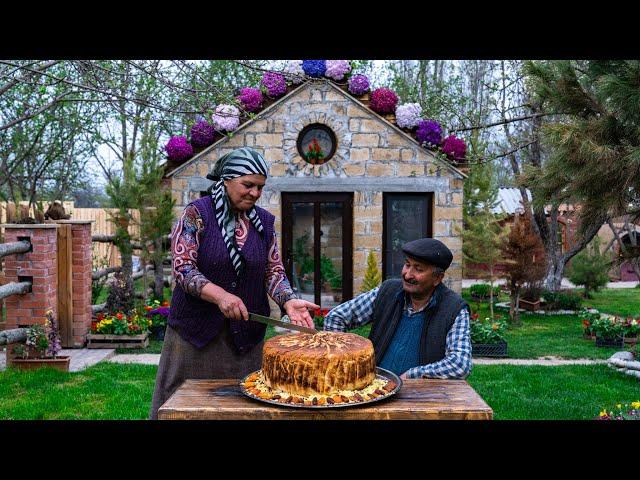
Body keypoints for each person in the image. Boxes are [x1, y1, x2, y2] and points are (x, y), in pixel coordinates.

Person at [150, 147, 318, 419]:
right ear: (226, 179)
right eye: (248, 185)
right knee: (188, 409)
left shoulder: (264, 222)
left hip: (245, 342)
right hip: (195, 337)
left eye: (260, 187)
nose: (254, 193)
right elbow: (183, 268)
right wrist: (220, 296)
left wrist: (288, 300)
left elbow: (273, 270)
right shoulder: (197, 214)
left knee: (243, 410)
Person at [323, 238, 471, 380]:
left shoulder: (454, 309)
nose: (407, 274)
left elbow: (460, 364)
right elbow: (336, 317)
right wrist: (342, 361)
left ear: (437, 278)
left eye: (418, 269)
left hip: (423, 395)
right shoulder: (388, 291)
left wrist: (413, 374)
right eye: (407, 265)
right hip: (375, 388)